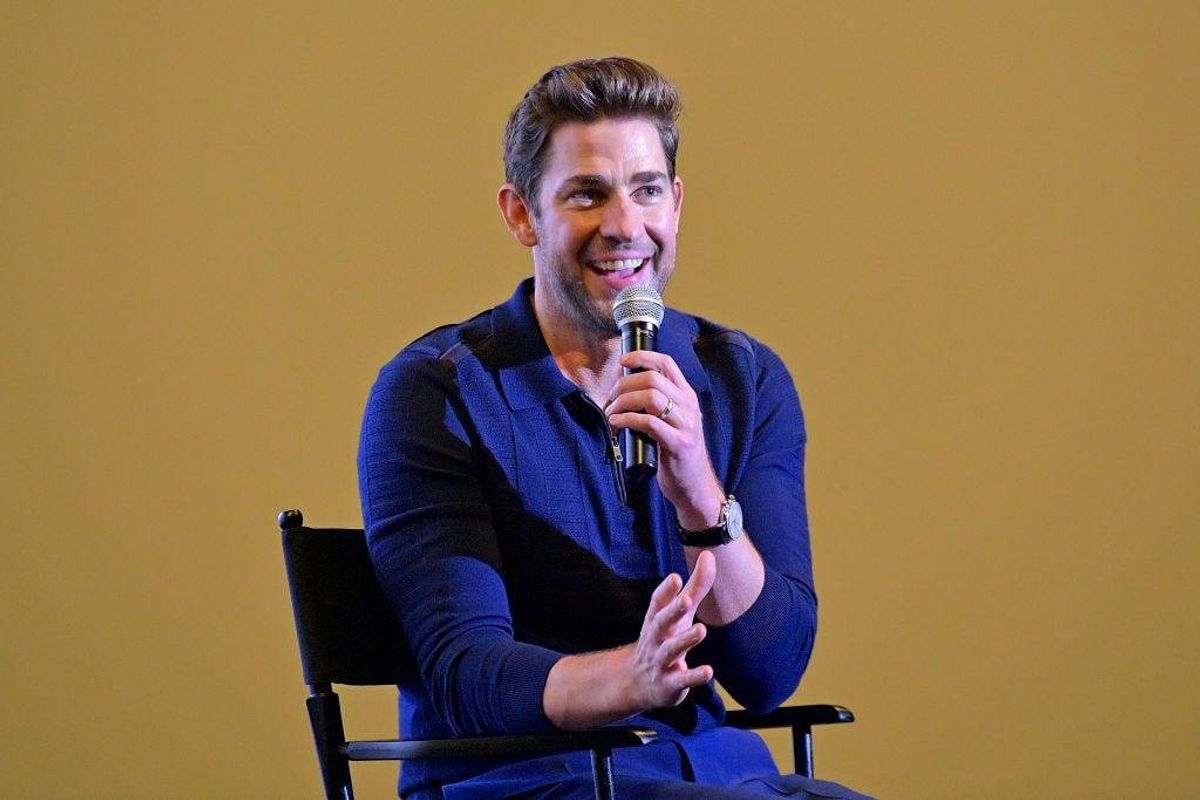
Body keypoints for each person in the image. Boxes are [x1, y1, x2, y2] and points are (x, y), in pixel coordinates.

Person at [358, 56, 872, 800]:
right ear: (521, 214)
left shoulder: (742, 379)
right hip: (525, 780)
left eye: (647, 191)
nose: (625, 227)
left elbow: (770, 673)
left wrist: (698, 492)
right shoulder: (435, 393)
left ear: (677, 203)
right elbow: (466, 671)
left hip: (711, 777)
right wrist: (631, 676)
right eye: (587, 195)